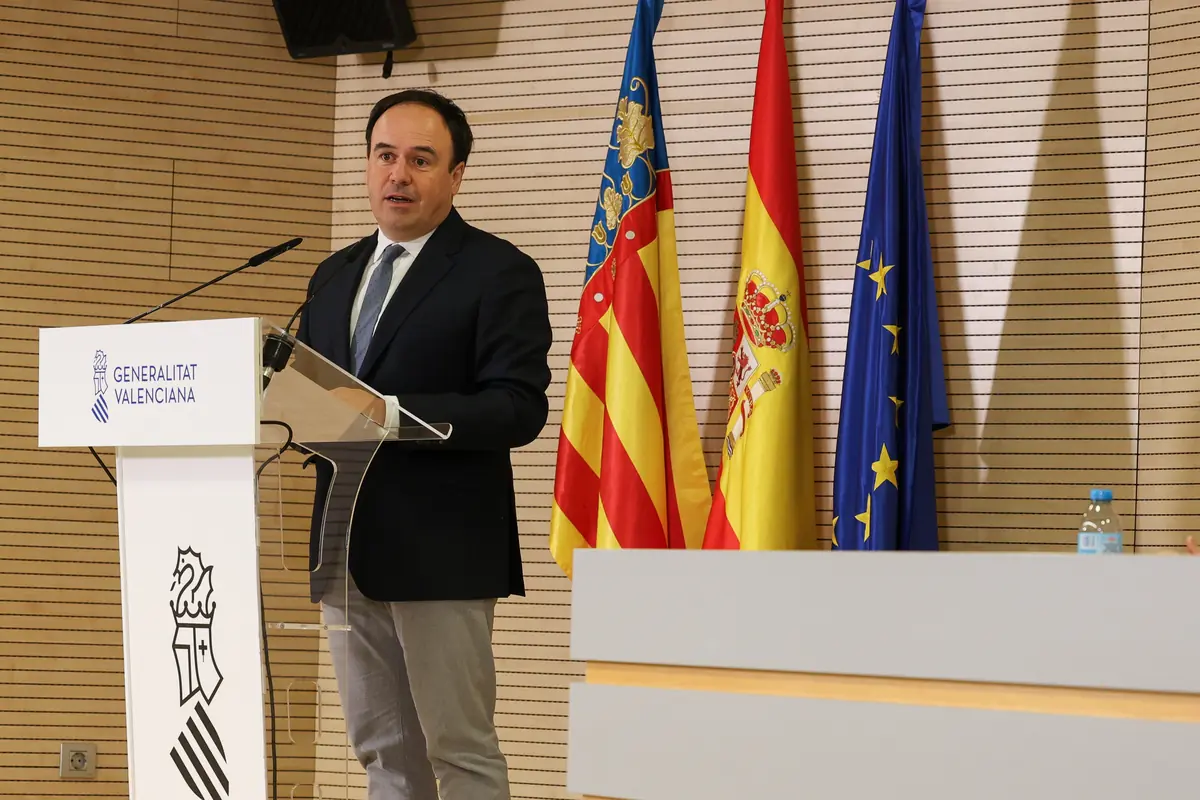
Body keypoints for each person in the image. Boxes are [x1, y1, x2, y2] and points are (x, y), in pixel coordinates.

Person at [295, 89, 553, 800]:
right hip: (345, 548)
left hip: (442, 552)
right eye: (384, 156)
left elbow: (517, 407)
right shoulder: (334, 275)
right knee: (383, 755)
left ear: (456, 174)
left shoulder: (498, 271)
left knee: (459, 750)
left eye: (420, 159)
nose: (397, 174)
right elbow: (314, 400)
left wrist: (391, 414)